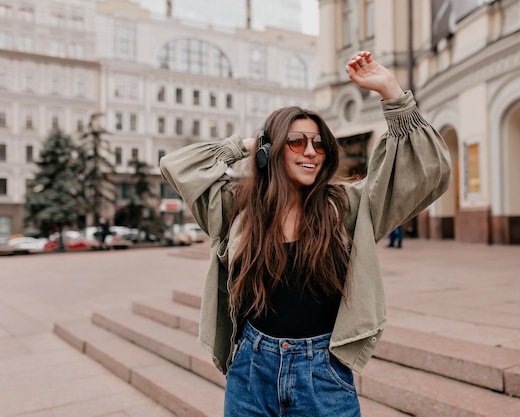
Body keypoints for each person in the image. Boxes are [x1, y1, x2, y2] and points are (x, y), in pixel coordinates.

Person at [160, 50, 450, 416]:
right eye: (296, 141)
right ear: (274, 150)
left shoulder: (346, 206)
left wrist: (391, 92)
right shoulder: (237, 208)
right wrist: (249, 146)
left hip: (322, 370)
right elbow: (176, 166)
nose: (311, 151)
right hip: (251, 366)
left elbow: (428, 172)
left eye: (319, 143)